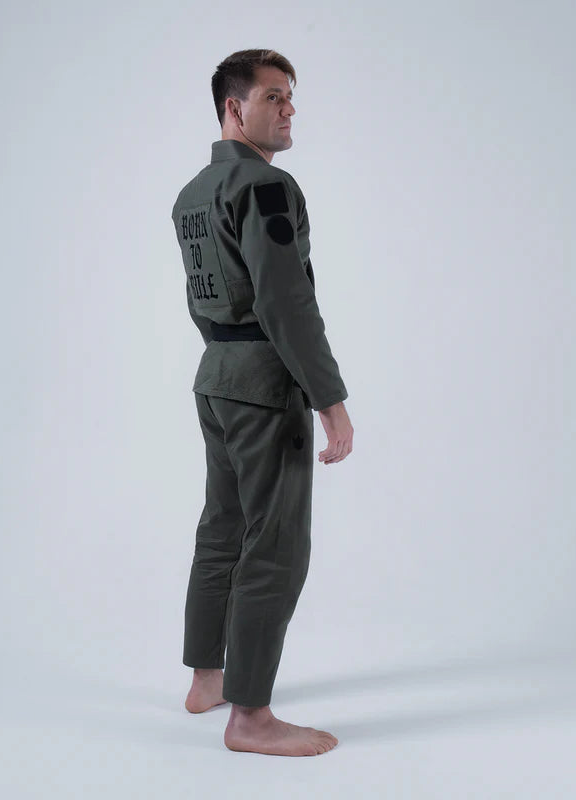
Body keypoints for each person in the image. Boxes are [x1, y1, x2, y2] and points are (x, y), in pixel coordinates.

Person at [170, 49, 353, 757]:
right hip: (263, 384)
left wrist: (232, 359)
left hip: (216, 373)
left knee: (224, 527)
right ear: (233, 107)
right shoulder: (267, 186)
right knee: (274, 545)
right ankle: (250, 717)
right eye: (273, 97)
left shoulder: (192, 193)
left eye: (290, 97)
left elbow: (208, 295)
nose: (289, 109)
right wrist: (329, 399)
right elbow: (285, 301)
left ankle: (207, 680)